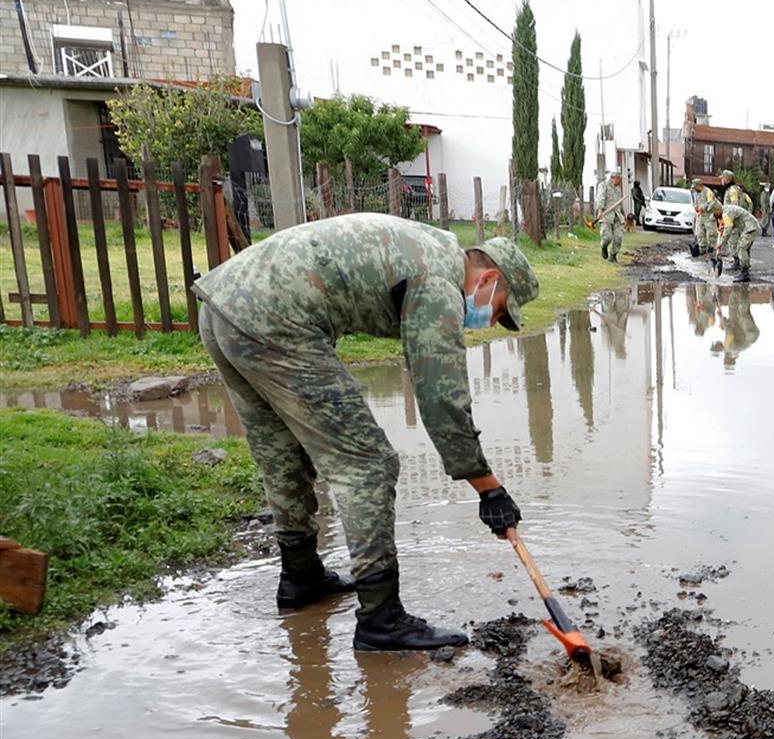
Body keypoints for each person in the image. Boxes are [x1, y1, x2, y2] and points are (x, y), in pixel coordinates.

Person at [193, 213, 541, 651]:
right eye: (501, 309)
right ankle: (381, 618)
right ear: (489, 278)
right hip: (274, 319)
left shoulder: (428, 248)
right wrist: (489, 489)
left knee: (282, 450)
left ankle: (301, 577)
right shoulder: (440, 283)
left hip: (222, 307)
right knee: (368, 464)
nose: (491, 321)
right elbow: (441, 397)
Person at [715, 200, 760, 283]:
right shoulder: (725, 211)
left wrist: (721, 243)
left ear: (718, 209)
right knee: (744, 249)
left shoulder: (726, 213)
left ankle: (745, 273)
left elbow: (728, 229)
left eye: (715, 213)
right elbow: (727, 225)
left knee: (741, 248)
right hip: (748, 227)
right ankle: (745, 270)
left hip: (750, 227)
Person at [594, 171, 625, 261]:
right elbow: (601, 198)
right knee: (607, 237)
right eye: (619, 179)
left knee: (618, 237)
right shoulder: (604, 185)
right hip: (606, 215)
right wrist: (600, 210)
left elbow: (620, 203)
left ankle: (613, 256)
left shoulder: (618, 189)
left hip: (617, 216)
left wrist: (623, 214)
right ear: (614, 178)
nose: (620, 181)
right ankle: (603, 247)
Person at [693, 181, 720, 259]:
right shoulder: (697, 193)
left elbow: (711, 203)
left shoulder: (708, 192)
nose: (694, 189)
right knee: (700, 233)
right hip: (701, 216)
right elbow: (696, 203)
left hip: (709, 216)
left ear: (699, 185)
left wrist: (704, 208)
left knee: (710, 233)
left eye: (695, 187)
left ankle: (711, 249)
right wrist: (696, 207)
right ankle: (702, 249)